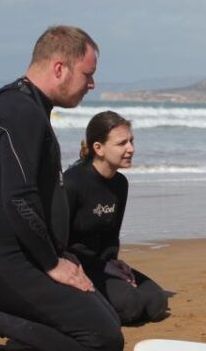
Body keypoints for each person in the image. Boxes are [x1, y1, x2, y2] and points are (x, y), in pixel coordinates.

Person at [0, 25, 123, 351]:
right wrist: (52, 263)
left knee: (106, 314)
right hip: (9, 263)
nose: (91, 84)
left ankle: (5, 314)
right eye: (88, 74)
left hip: (21, 258)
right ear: (60, 68)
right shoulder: (20, 111)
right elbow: (18, 198)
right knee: (105, 341)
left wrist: (61, 253)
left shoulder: (26, 106)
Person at [64, 111, 169, 325]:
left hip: (102, 264)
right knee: (131, 308)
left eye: (131, 141)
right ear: (98, 148)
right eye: (122, 143)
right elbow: (54, 237)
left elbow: (111, 234)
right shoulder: (72, 182)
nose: (131, 149)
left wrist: (114, 262)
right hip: (75, 266)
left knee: (157, 303)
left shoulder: (120, 184)